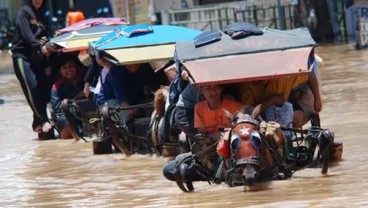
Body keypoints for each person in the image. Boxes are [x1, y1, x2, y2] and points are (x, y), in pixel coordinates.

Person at [11, 0, 55, 139]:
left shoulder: (42, 15)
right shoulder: (22, 13)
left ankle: (38, 121)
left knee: (43, 88)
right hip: (21, 57)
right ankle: (42, 120)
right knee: (32, 87)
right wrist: (40, 46)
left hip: (38, 57)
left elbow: (46, 35)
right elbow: (27, 36)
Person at [50, 54, 86, 139]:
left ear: (76, 66)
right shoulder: (57, 86)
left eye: (71, 66)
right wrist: (74, 100)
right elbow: (57, 109)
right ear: (60, 71)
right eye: (64, 68)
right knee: (64, 120)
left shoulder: (86, 79)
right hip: (69, 116)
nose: (69, 70)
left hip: (89, 112)